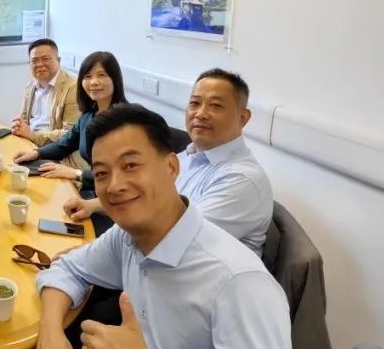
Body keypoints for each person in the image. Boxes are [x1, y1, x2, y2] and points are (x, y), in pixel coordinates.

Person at [0, 104, 311, 349]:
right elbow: (66, 268)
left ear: (172, 167)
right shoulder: (129, 238)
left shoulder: (237, 282)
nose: (115, 185)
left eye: (131, 165)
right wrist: (50, 332)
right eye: (102, 173)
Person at [64, 68, 273, 256]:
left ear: (243, 118)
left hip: (183, 278)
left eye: (216, 106)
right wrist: (92, 205)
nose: (200, 114)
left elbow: (176, 239)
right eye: (194, 103)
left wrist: (91, 254)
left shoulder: (242, 180)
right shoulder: (187, 156)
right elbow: (145, 198)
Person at [11, 51, 128, 233]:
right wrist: (36, 153)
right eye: (88, 76)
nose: (94, 82)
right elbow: (65, 143)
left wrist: (76, 173)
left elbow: (121, 175)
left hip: (117, 204)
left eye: (101, 75)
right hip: (92, 193)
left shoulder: (125, 121)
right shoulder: (89, 115)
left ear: (115, 79)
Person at [10, 38, 82, 149]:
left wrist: (33, 135)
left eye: (45, 59)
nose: (40, 64)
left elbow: (70, 133)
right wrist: (18, 125)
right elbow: (23, 118)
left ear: (58, 60)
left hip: (56, 150)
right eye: (34, 61)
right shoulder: (30, 86)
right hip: (29, 143)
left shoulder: (73, 88)